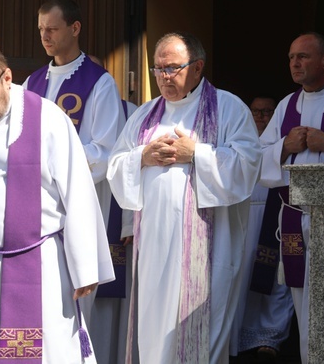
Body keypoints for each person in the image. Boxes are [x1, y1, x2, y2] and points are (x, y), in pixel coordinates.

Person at [0, 44, 115, 364]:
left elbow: (78, 192)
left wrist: (85, 267)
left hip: (38, 270)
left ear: (7, 78)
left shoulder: (48, 120)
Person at [107, 32, 261, 364]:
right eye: (158, 69)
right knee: (153, 335)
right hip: (154, 251)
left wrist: (199, 154)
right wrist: (142, 157)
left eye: (172, 68)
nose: (164, 77)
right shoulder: (144, 115)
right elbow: (116, 165)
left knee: (203, 337)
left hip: (209, 248)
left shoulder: (229, 108)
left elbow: (249, 165)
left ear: (197, 67)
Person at [23, 0, 132, 364]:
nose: (45, 37)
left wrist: (52, 159)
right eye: (41, 30)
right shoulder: (31, 82)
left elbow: (104, 151)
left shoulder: (99, 84)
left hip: (81, 204)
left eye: (52, 29)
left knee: (82, 296)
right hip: (36, 210)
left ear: (75, 28)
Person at [258, 32, 324, 364]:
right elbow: (258, 155)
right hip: (295, 215)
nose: (295, 63)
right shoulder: (286, 105)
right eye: (292, 57)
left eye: (303, 56)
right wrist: (285, 147)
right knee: (302, 300)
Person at [228, 96, 294, 363]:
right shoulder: (239, 138)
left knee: (277, 278)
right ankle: (240, 333)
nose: (262, 117)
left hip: (274, 216)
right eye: (257, 112)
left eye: (268, 112)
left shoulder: (281, 142)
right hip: (244, 216)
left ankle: (271, 336)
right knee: (243, 278)